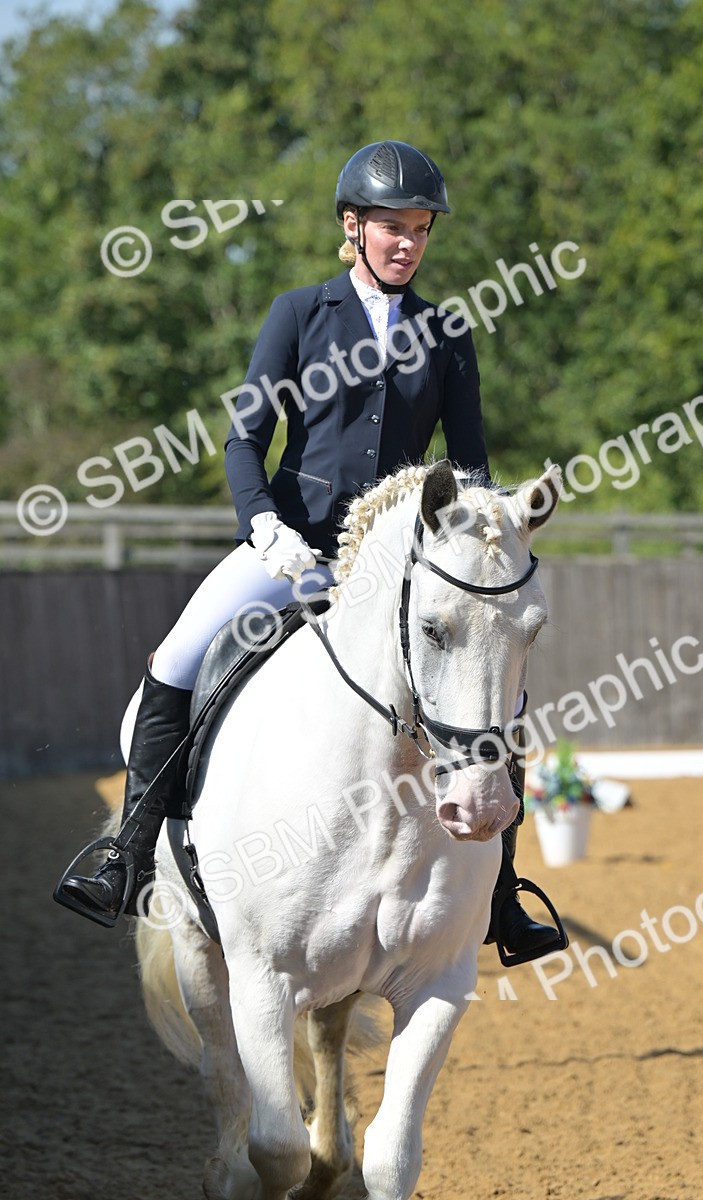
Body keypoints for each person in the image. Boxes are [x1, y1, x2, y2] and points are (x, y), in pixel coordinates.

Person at [55, 139, 562, 963]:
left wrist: (486, 531)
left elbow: (468, 462)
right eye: (392, 227)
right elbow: (243, 439)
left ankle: (503, 897)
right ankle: (128, 855)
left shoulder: (446, 330)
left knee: (489, 693)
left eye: (421, 230)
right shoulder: (299, 313)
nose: (408, 242)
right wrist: (264, 526)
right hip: (291, 541)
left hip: (400, 561)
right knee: (178, 659)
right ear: (353, 227)